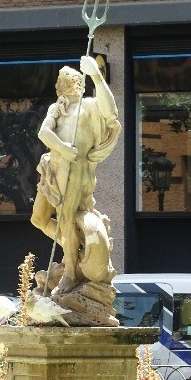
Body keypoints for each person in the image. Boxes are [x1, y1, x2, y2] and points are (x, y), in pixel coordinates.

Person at [31, 55, 121, 294]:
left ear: (79, 87)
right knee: (38, 218)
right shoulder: (57, 109)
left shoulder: (88, 106)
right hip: (53, 168)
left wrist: (97, 76)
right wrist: (61, 147)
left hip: (76, 171)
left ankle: (70, 272)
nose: (66, 89)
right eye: (63, 84)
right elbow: (43, 133)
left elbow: (110, 112)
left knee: (68, 218)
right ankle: (71, 243)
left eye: (70, 84)